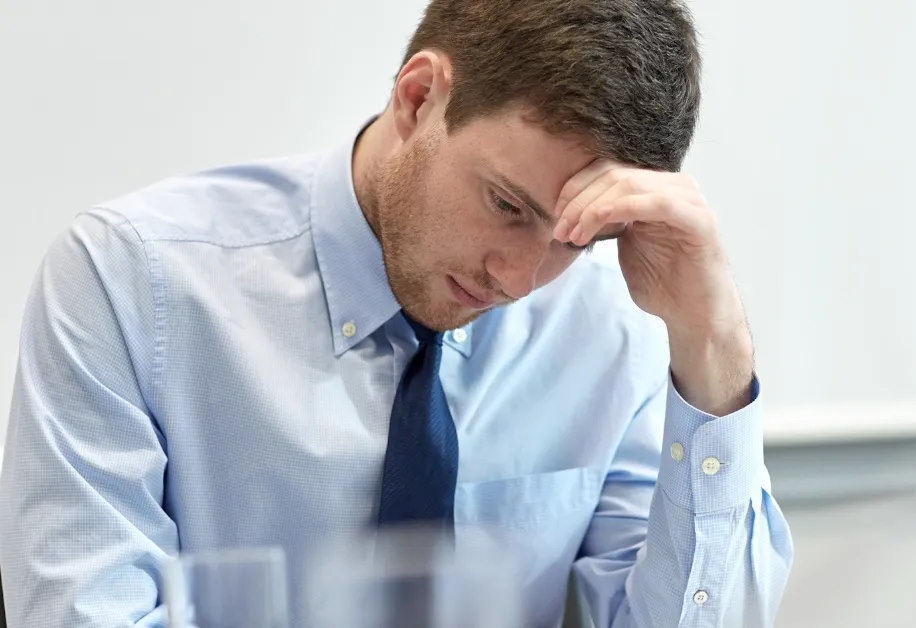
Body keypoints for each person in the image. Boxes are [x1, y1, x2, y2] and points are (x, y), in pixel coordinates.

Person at [0, 0, 794, 626]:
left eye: (575, 241)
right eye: (506, 204)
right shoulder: (134, 280)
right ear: (419, 98)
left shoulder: (606, 330)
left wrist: (714, 348)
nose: (519, 279)